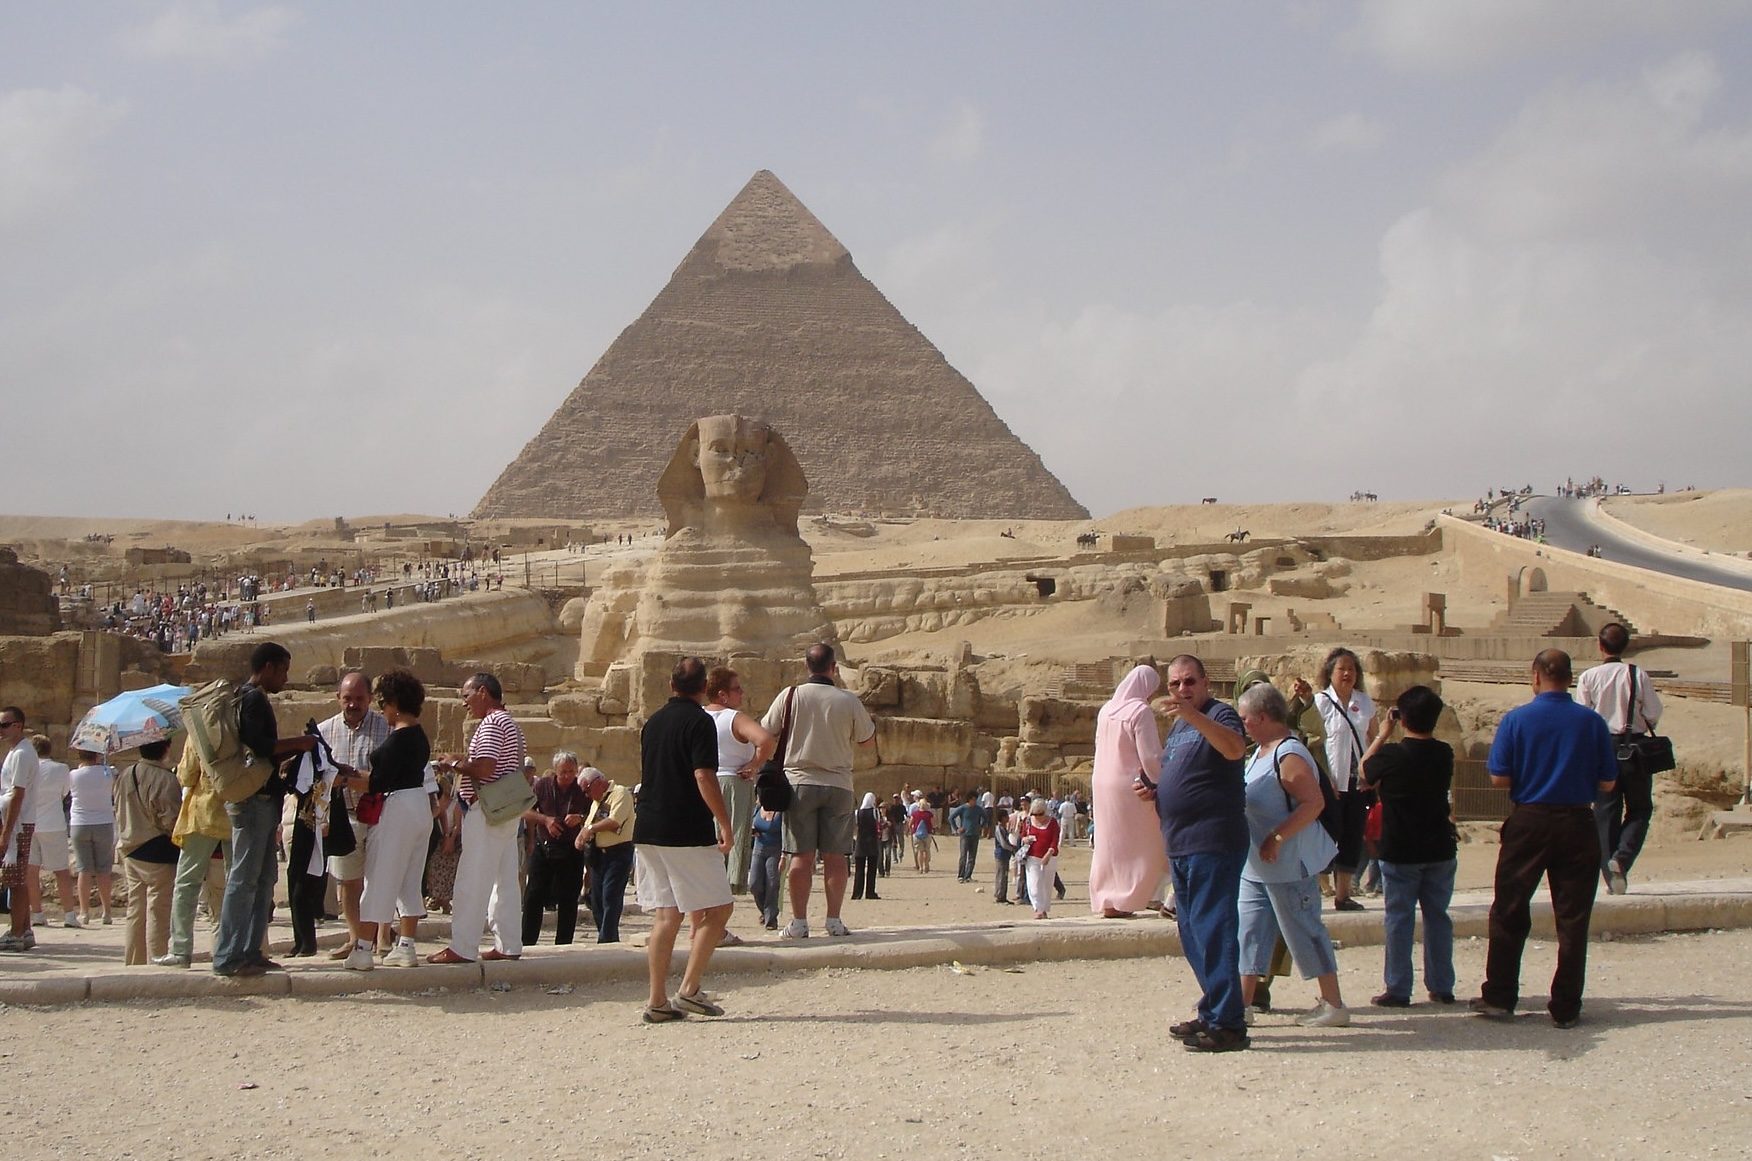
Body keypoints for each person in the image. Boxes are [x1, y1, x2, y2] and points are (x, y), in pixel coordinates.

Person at [1473, 650, 1619, 1029]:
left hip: (1530, 818)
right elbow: (1607, 782)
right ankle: (1566, 1004)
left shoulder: (1517, 720)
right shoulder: (1592, 723)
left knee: (1509, 908)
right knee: (1572, 916)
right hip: (1577, 820)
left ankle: (1501, 995)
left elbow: (1498, 778)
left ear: (1535, 676)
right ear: (1570, 679)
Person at [1134, 655, 1250, 1053]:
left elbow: (1235, 749)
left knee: (1214, 930)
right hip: (1182, 843)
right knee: (1193, 933)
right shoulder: (1181, 726)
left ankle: (1229, 1024)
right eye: (1175, 685)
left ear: (1206, 683)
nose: (1182, 690)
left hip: (1212, 840)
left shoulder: (1221, 715)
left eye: (1189, 682)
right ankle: (1214, 1009)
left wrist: (1193, 715)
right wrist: (1156, 791)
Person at [1233, 683, 1349, 1028]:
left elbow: (1314, 803)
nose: (1241, 724)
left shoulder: (1289, 754)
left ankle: (1333, 1003)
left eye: (1244, 718)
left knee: (1305, 929)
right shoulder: (1260, 751)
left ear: (1262, 717)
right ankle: (1241, 1004)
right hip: (1257, 867)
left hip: (1286, 865)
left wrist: (1278, 836)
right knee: (1249, 933)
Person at [635, 657, 734, 1023]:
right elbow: (704, 776)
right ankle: (690, 989)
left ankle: (657, 1000)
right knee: (720, 908)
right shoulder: (700, 721)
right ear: (704, 687)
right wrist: (725, 822)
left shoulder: (653, 722)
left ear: (671, 684)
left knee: (667, 915)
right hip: (684, 829)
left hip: (648, 826)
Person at [213, 642, 318, 977]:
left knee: (261, 879)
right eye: (284, 670)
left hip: (261, 799)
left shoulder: (245, 697)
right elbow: (261, 747)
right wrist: (301, 744)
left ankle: (250, 950)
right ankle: (228, 955)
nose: (286, 678)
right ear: (269, 667)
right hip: (254, 801)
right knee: (244, 878)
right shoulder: (253, 698)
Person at [761, 642, 875, 939]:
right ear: (834, 667)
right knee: (836, 857)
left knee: (800, 856)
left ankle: (799, 921)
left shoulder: (790, 696)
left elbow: (766, 730)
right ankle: (834, 920)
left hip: (799, 782)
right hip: (838, 784)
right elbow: (867, 739)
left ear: (806, 666)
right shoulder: (848, 700)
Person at [1360, 685, 1458, 1007]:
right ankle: (1442, 985)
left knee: (1399, 919)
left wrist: (1382, 734)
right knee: (1438, 918)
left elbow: (1364, 770)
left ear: (1402, 718)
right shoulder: (1444, 752)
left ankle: (1399, 988)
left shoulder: (1392, 755)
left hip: (1401, 849)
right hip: (1439, 847)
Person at [430, 673, 528, 964]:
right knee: (505, 880)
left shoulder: (491, 724)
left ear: (483, 692)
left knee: (472, 878)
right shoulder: (510, 723)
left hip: (485, 810)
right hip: (506, 810)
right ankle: (508, 944)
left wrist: (454, 763)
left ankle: (463, 945)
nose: (464, 703)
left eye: (466, 695)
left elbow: (485, 769)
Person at [345, 669, 433, 970]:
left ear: (394, 703)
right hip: (419, 806)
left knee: (379, 877)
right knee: (410, 879)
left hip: (397, 809)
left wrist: (343, 778)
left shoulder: (397, 741)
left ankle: (363, 949)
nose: (381, 711)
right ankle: (406, 946)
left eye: (383, 704)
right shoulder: (420, 736)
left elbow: (377, 782)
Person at [1576, 622, 1664, 895]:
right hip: (1634, 749)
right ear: (1626, 646)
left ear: (1600, 646)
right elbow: (1653, 713)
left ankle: (1612, 874)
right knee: (1640, 808)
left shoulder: (1589, 677)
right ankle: (1622, 859)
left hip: (1602, 750)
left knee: (1605, 813)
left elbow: (1583, 717)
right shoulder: (1638, 675)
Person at [317, 671, 391, 960]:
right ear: (338, 698)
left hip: (380, 814)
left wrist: (350, 778)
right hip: (343, 816)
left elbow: (388, 776)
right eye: (347, 698)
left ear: (370, 699)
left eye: (359, 698)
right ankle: (354, 937)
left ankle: (383, 936)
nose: (353, 704)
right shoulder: (323, 732)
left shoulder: (386, 728)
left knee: (381, 879)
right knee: (348, 881)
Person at [1089, 665, 1170, 919]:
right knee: (1150, 842)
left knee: (1110, 844)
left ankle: (1109, 900)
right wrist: (1162, 781)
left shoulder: (1106, 709)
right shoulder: (1140, 711)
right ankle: (1140, 897)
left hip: (1101, 783)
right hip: (1130, 786)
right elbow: (1150, 756)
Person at [1307, 649, 1377, 911]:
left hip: (1356, 783)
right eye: (1341, 669)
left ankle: (1343, 895)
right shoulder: (1320, 702)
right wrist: (1323, 779)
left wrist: (1371, 774)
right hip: (1328, 783)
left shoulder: (1365, 703)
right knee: (1325, 835)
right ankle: (1314, 890)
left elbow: (1372, 739)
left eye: (1352, 669)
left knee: (1352, 836)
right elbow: (1312, 742)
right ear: (1330, 673)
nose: (1347, 674)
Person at [703, 667, 776, 899]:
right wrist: (754, 764)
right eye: (737, 689)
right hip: (733, 783)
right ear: (723, 695)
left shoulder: (700, 716)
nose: (742, 693)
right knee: (731, 846)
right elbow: (765, 739)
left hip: (705, 783)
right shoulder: (734, 718)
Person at [158, 741, 230, 967]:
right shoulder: (240, 721)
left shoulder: (198, 729)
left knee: (186, 884)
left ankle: (181, 950)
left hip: (204, 813)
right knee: (236, 886)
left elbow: (187, 775)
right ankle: (232, 949)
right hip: (235, 813)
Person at [114, 739, 183, 965]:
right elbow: (171, 818)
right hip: (158, 849)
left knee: (135, 909)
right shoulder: (166, 779)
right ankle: (157, 957)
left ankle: (134, 960)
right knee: (159, 909)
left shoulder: (125, 774)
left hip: (130, 846)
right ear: (165, 749)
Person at [520, 750, 590, 946]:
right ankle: (527, 941)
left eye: (570, 771)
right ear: (555, 771)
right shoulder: (542, 786)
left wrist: (581, 819)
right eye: (563, 772)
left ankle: (564, 943)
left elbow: (596, 813)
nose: (567, 776)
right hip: (545, 847)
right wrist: (546, 820)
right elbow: (524, 811)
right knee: (533, 896)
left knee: (568, 900)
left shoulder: (581, 788)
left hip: (571, 849)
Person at [575, 765, 635, 942]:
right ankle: (604, 934)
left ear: (598, 782)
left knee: (611, 895)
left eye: (587, 790)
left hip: (618, 853)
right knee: (597, 898)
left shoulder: (620, 793)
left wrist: (590, 829)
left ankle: (607, 938)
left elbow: (614, 821)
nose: (587, 795)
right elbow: (590, 823)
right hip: (599, 855)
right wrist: (582, 835)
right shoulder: (596, 801)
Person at [26, 736, 77, 929]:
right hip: (54, 823)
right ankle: (69, 915)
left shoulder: (28, 768)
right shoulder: (61, 769)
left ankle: (37, 913)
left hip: (30, 822)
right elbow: (64, 793)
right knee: (61, 870)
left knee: (31, 871)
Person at [0, 707, 39, 951]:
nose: (1, 730)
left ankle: (17, 932)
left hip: (18, 824)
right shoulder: (16, 752)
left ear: (18, 725)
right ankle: (24, 929)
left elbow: (18, 793)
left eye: (4, 724)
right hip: (16, 821)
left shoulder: (23, 754)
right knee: (16, 877)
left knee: (15, 879)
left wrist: (6, 831)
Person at [66, 748, 115, 927]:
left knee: (84, 869)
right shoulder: (107, 772)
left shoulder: (73, 775)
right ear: (97, 755)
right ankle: (107, 912)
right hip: (103, 822)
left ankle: (84, 912)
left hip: (80, 823)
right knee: (104, 869)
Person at [1021, 798, 1061, 920]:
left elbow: (1055, 840)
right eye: (1035, 814)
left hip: (1049, 856)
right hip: (1033, 856)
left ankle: (1043, 909)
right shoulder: (1027, 821)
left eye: (1040, 814)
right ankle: (1038, 908)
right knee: (1034, 883)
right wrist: (1025, 839)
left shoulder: (1053, 822)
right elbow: (1022, 835)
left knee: (1046, 884)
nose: (1037, 817)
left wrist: (1049, 854)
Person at [748, 802, 784, 927]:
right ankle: (764, 911)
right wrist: (752, 831)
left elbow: (788, 833)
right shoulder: (758, 807)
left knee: (772, 883)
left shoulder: (782, 811)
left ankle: (771, 918)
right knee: (754, 884)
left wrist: (784, 855)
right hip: (758, 848)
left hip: (775, 849)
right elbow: (752, 824)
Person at [852, 792, 882, 900]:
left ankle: (857, 893)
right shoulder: (875, 812)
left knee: (859, 870)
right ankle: (870, 892)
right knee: (871, 870)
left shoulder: (857, 813)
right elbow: (878, 823)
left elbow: (855, 828)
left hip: (861, 843)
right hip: (872, 843)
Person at [950, 792, 985, 883]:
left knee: (972, 857)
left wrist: (981, 826)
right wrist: (957, 828)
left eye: (975, 800)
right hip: (965, 835)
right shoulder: (963, 808)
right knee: (963, 856)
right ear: (969, 800)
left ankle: (968, 875)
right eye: (973, 799)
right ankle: (961, 875)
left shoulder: (978, 809)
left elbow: (985, 817)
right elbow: (951, 817)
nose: (974, 801)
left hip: (975, 835)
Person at [991, 806, 1017, 904]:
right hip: (1001, 855)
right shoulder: (999, 829)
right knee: (1002, 875)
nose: (1008, 818)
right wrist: (1012, 848)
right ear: (1002, 818)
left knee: (1002, 875)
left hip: (1005, 855)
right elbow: (1003, 843)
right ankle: (1000, 896)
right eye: (1006, 816)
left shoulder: (1003, 828)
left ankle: (1001, 894)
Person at [908, 792, 935, 873]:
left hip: (917, 834)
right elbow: (933, 824)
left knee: (920, 851)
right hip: (927, 834)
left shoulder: (915, 814)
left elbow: (910, 824)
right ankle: (926, 866)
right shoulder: (929, 814)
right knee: (926, 851)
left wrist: (910, 830)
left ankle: (921, 867)